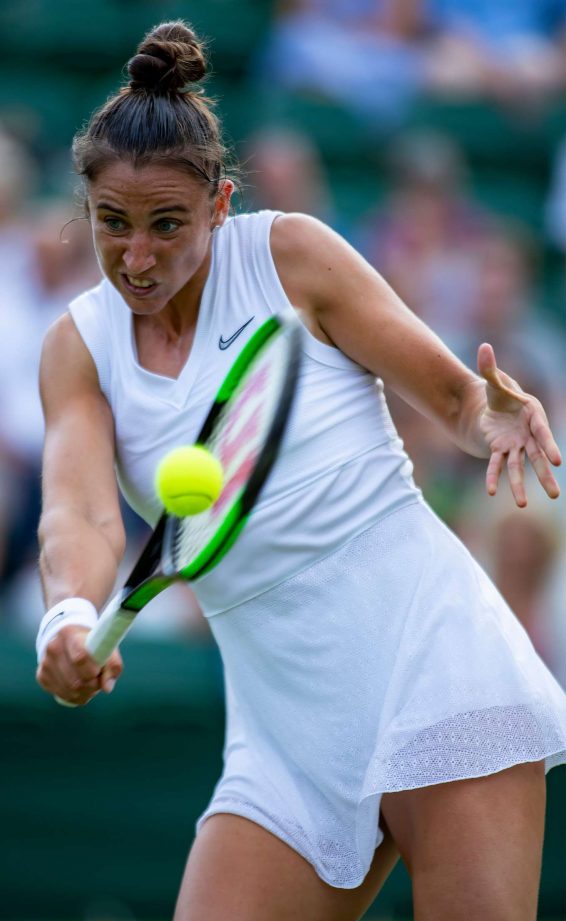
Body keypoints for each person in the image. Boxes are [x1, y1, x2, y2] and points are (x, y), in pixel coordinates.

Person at [35, 21, 566, 921]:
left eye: (168, 226)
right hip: (283, 735)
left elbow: (454, 399)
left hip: (435, 659)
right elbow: (80, 517)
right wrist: (71, 613)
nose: (137, 256)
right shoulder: (77, 347)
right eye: (112, 225)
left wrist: (494, 413)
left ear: (219, 205)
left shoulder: (293, 256)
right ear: (84, 210)